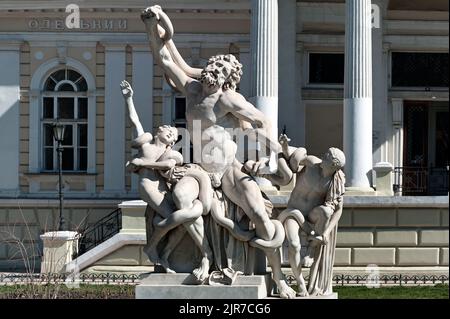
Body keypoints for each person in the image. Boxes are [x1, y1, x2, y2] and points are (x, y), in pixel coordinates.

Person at [141, 6, 296, 298]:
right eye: (215, 65)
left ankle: (279, 278)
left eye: (224, 69)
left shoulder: (228, 98)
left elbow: (261, 120)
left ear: (228, 79)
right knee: (180, 199)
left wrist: (271, 156)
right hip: (198, 170)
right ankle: (196, 257)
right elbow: (164, 57)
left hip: (228, 170)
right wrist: (151, 25)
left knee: (260, 215)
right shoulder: (191, 90)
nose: (216, 70)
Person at [121, 80, 214, 282]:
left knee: (180, 220)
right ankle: (155, 248)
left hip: (162, 188)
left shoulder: (170, 153)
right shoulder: (146, 144)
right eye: (167, 130)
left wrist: (143, 163)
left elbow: (165, 167)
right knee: (179, 219)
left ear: (172, 142)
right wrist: (128, 98)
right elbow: (134, 121)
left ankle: (160, 254)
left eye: (172, 134)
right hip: (150, 188)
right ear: (159, 132)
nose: (169, 132)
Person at [272, 134, 346, 296]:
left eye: (326, 156)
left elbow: (338, 209)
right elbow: (291, 160)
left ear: (333, 165)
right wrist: (285, 146)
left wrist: (325, 233)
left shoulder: (335, 180)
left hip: (312, 217)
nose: (322, 156)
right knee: (294, 245)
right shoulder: (312, 163)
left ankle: (311, 252)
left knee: (326, 210)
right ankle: (301, 285)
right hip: (293, 212)